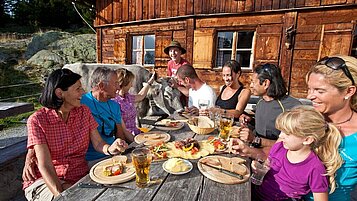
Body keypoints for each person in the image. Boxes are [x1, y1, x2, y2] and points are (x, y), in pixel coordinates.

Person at [22, 69, 128, 200]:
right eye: (78, 89)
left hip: (79, 176)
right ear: (60, 93)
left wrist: (110, 148)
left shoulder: (84, 111)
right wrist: (62, 196)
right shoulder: (37, 120)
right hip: (46, 181)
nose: (83, 92)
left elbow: (99, 143)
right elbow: (45, 165)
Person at [254, 105, 342, 201]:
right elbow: (268, 165)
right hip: (256, 194)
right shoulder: (279, 146)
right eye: (281, 131)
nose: (280, 135)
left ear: (307, 139)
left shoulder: (315, 168)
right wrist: (259, 168)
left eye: (287, 133)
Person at [304, 55, 357, 201]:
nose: (310, 96)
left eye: (319, 91)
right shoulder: (306, 120)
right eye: (309, 89)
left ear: (348, 91)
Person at [232, 63, 301, 158]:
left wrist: (256, 139)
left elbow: (291, 144)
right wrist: (250, 120)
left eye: (253, 82)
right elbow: (266, 125)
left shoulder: (292, 108)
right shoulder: (261, 101)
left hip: (275, 160)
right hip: (254, 152)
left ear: (265, 83)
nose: (251, 85)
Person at [80, 67, 134, 161]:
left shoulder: (115, 106)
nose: (118, 87)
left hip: (113, 154)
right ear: (101, 85)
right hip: (92, 159)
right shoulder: (82, 103)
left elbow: (119, 134)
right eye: (115, 83)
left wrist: (120, 147)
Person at [113, 68, 155, 135]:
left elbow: (141, 96)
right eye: (130, 83)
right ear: (124, 84)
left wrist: (149, 82)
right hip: (127, 137)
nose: (132, 85)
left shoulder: (127, 97)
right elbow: (121, 130)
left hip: (135, 132)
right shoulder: (114, 102)